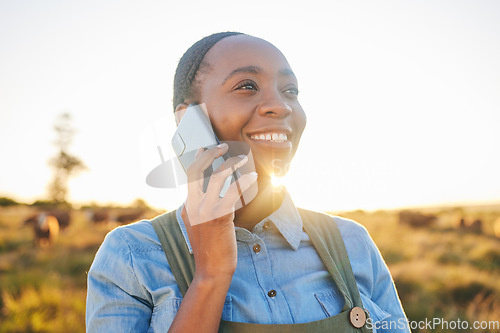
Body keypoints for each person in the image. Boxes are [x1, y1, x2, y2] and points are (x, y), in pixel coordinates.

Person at [86, 32, 410, 332]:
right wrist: (210, 277)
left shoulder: (353, 243)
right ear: (189, 120)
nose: (281, 106)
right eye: (247, 86)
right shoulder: (131, 256)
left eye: (290, 91)